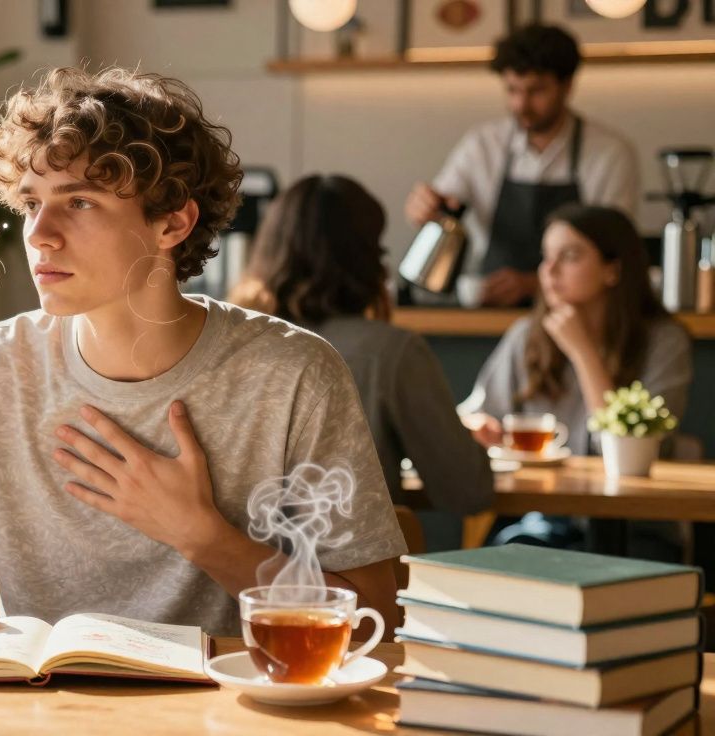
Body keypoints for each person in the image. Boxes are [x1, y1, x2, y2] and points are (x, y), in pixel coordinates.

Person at [0, 67, 407, 638]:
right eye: (30, 204)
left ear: (173, 222)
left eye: (80, 203)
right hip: (39, 712)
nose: (40, 234)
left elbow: (376, 617)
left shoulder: (295, 374)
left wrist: (201, 535)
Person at [229, 174, 492, 549]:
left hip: (238, 583)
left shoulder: (233, 340)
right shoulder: (392, 352)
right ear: (368, 257)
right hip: (357, 590)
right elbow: (468, 491)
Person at [462, 204, 692, 556]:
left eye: (569, 256)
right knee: (505, 559)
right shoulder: (527, 335)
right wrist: (478, 425)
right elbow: (474, 413)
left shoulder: (664, 341)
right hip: (545, 522)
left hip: (638, 528)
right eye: (545, 257)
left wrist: (583, 352)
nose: (549, 271)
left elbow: (628, 449)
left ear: (613, 269)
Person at [405, 24, 639, 307]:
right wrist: (424, 207)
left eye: (536, 91)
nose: (521, 104)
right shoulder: (482, 145)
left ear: (567, 86)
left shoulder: (609, 153)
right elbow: (441, 206)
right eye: (512, 90)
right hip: (490, 302)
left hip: (577, 308)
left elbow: (614, 249)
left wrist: (533, 282)